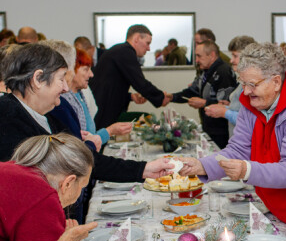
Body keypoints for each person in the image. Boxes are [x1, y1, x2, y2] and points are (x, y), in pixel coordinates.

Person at [178, 43, 286, 241]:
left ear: (276, 81)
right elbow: (239, 148)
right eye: (242, 84)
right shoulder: (252, 102)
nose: (245, 92)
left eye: (252, 84)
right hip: (276, 213)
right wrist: (201, 165)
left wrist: (247, 171)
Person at [0, 43, 173, 180]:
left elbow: (82, 159)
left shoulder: (42, 114)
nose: (66, 88)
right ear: (38, 79)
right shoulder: (7, 120)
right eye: (61, 79)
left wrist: (145, 169)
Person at [0, 133, 94, 241]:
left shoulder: (9, 169)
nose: (79, 194)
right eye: (82, 187)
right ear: (68, 183)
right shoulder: (43, 199)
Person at [89, 24, 171, 129]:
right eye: (147, 43)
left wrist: (131, 97)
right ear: (137, 38)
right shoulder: (125, 51)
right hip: (102, 109)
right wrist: (160, 98)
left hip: (101, 106)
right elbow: (140, 82)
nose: (149, 48)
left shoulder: (119, 50)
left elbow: (112, 85)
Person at [171, 40, 237, 148]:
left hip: (221, 132)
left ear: (211, 55)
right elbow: (192, 91)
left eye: (199, 56)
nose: (196, 60)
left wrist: (204, 103)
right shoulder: (205, 70)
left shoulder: (224, 71)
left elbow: (228, 104)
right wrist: (171, 97)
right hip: (209, 127)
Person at [64, 49, 132, 146]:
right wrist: (110, 131)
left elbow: (91, 137)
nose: (91, 74)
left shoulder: (80, 95)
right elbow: (82, 144)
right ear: (72, 71)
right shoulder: (65, 101)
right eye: (86, 69)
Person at [204, 35, 256, 137]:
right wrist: (228, 106)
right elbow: (242, 110)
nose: (231, 60)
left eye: (235, 56)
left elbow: (253, 121)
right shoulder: (244, 81)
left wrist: (224, 112)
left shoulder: (254, 84)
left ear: (248, 58)